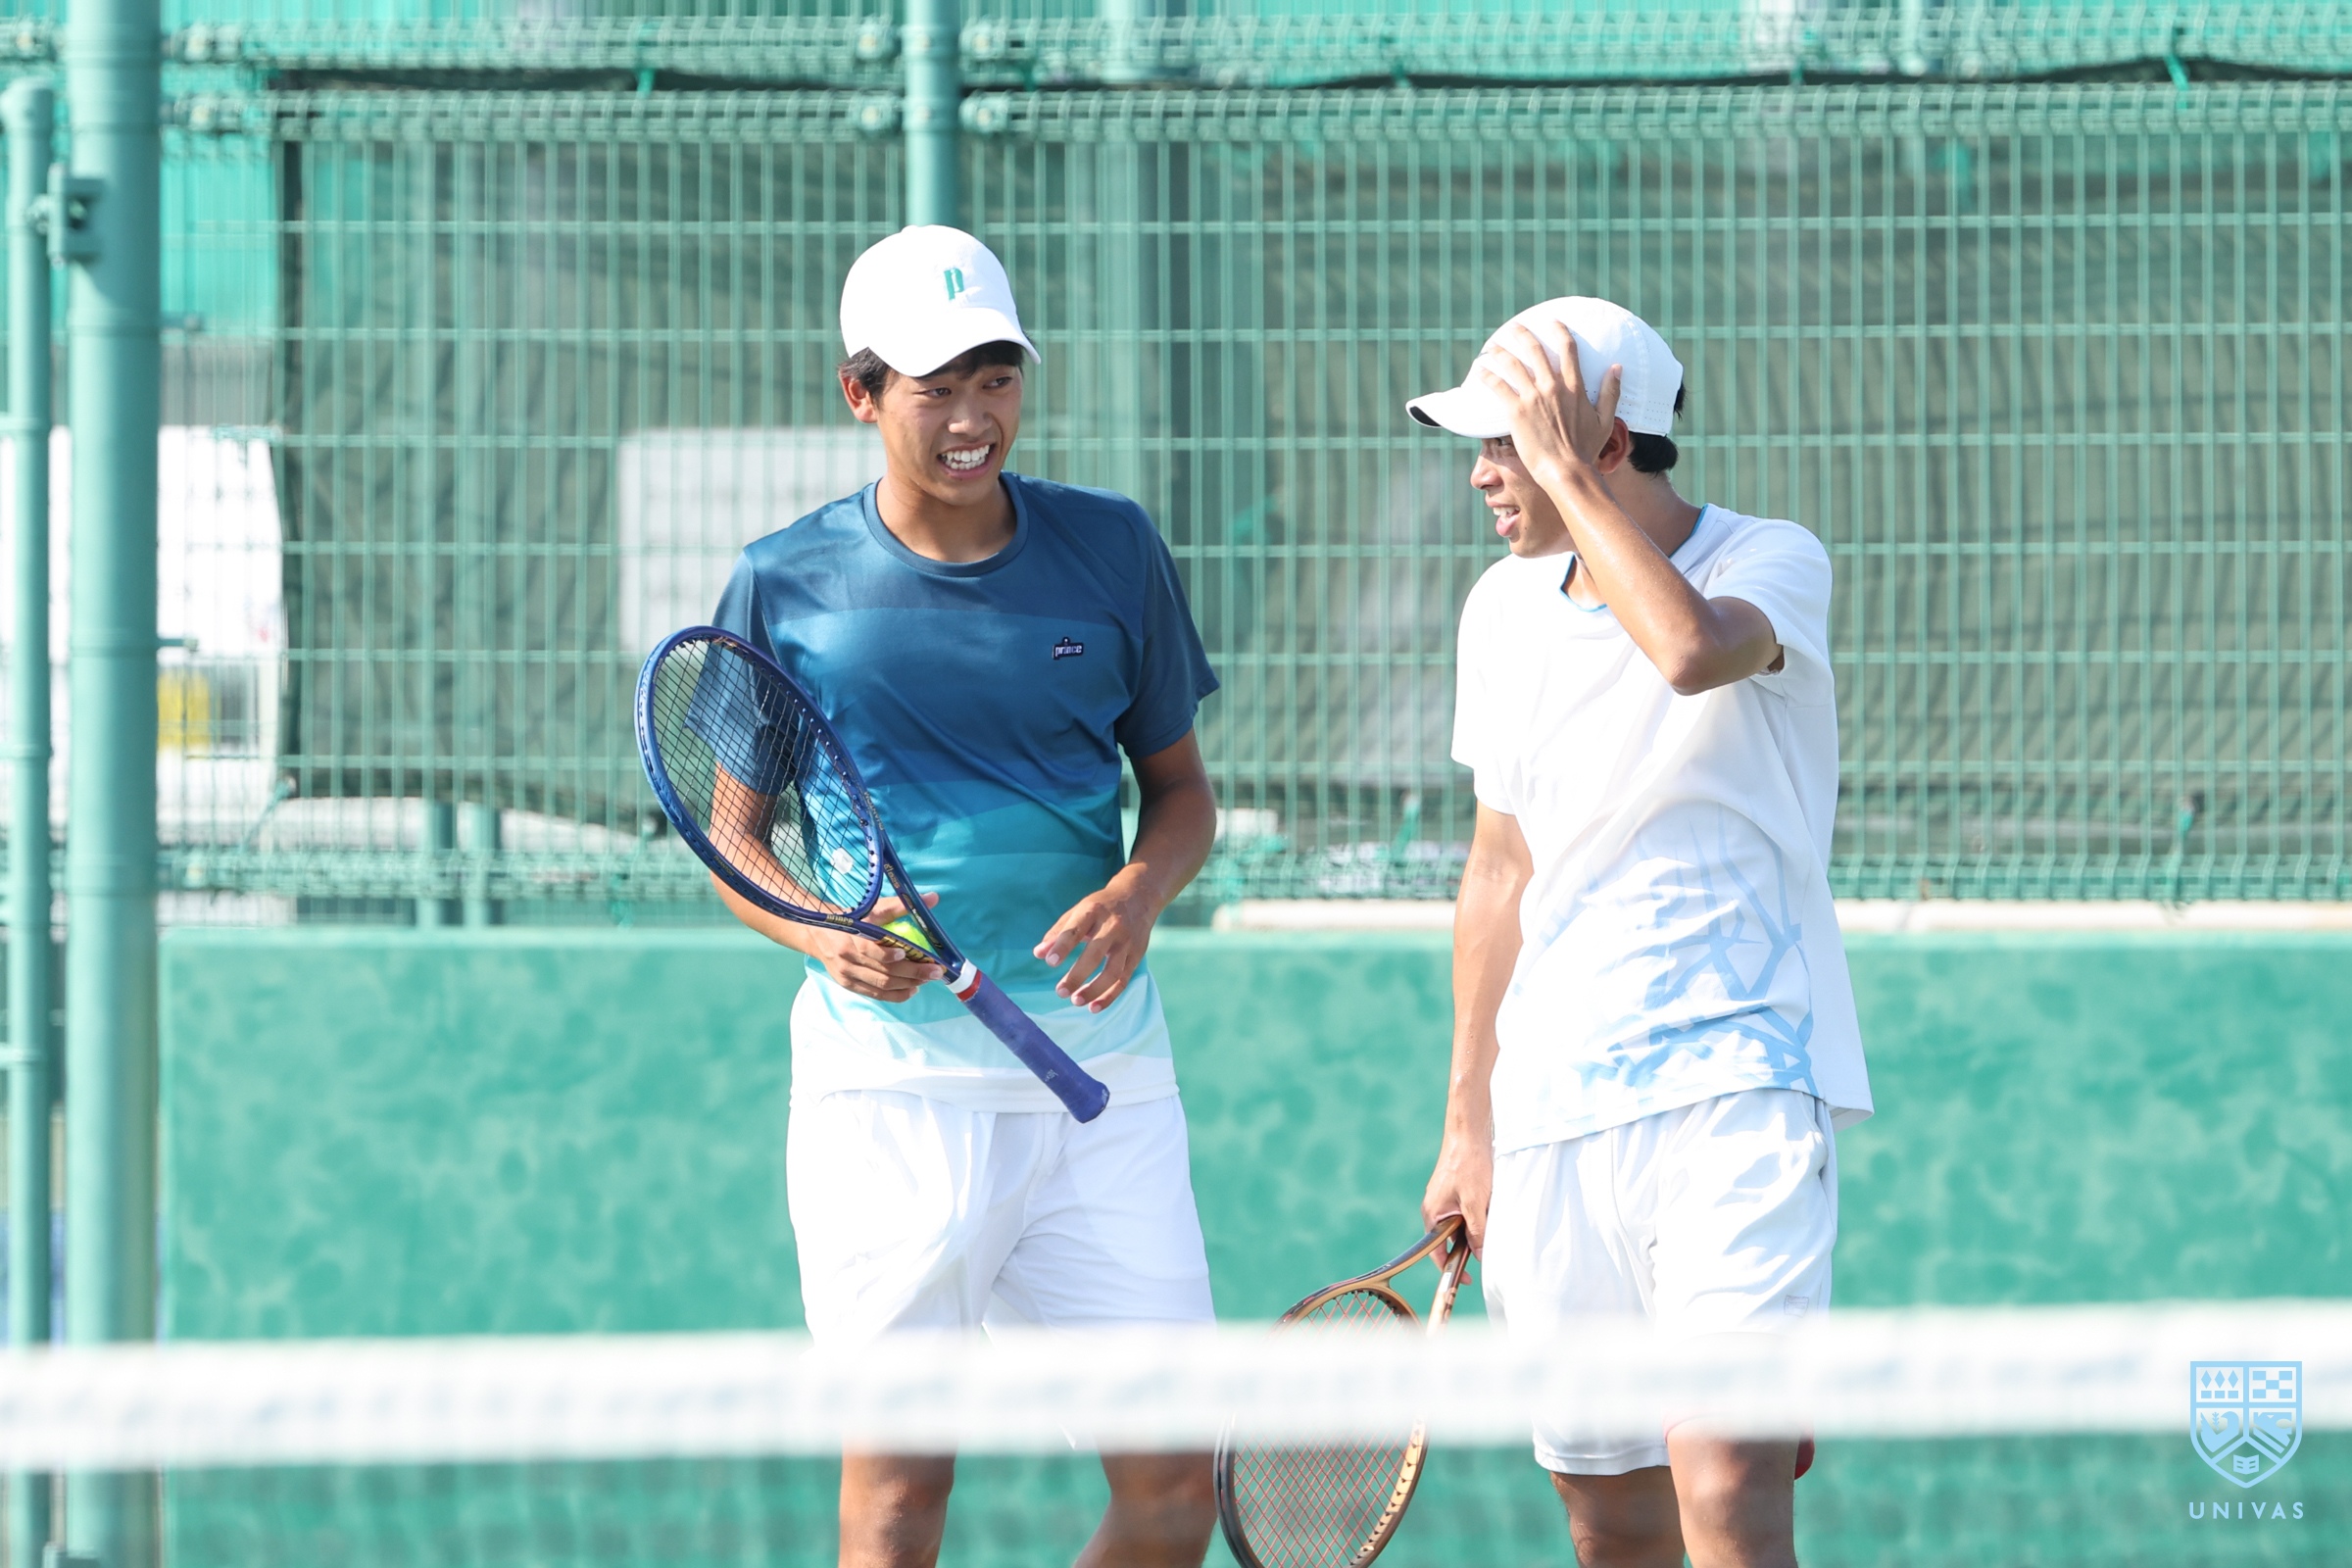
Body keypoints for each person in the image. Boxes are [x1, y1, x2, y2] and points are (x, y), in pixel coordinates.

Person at [708, 224, 1222, 1568]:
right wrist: (820, 934)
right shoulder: (784, 580)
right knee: (897, 1500)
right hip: (890, 1101)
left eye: (996, 379)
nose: (972, 418)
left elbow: (1182, 794)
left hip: (1104, 1087)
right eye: (935, 387)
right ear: (861, 394)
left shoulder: (1113, 548)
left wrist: (1140, 892)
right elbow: (733, 836)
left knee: (1179, 1487)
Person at [1410, 297, 1874, 1568]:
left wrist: (1568, 472)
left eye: (1506, 443)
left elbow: (1687, 652)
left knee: (1725, 1484)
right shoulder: (1500, 611)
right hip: (1553, 1116)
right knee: (1610, 1521)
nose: (1482, 474)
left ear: (1604, 441)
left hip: (1739, 1088)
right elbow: (1500, 869)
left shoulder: (1770, 560)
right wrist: (1468, 1125)